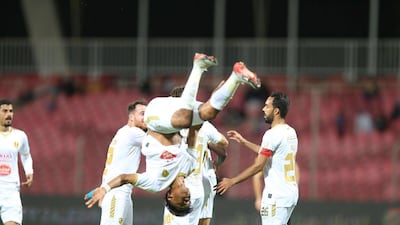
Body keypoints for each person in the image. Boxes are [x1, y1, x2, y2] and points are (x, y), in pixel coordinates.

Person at [84, 53, 260, 216]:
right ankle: (236, 78)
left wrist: (104, 188)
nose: (187, 197)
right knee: (208, 114)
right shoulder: (189, 167)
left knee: (184, 118)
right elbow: (195, 130)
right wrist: (208, 110)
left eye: (183, 201)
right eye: (189, 200)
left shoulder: (154, 184)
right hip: (173, 115)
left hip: (155, 115)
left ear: (170, 197)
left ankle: (198, 66)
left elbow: (124, 177)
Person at [215, 92, 299, 225]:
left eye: (267, 106)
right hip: (290, 194)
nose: (263, 109)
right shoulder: (291, 132)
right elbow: (270, 153)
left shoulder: (272, 134)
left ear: (276, 111)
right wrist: (244, 142)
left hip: (275, 197)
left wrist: (233, 181)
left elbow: (259, 165)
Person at [96, 100, 147, 225]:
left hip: (120, 191)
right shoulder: (134, 133)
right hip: (117, 193)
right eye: (142, 113)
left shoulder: (123, 131)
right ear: (131, 117)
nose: (146, 118)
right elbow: (159, 143)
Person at [0, 99, 34, 225]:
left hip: (11, 190)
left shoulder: (20, 136)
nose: (9, 114)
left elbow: (26, 155)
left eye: (11, 111)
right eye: (4, 111)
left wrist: (29, 171)